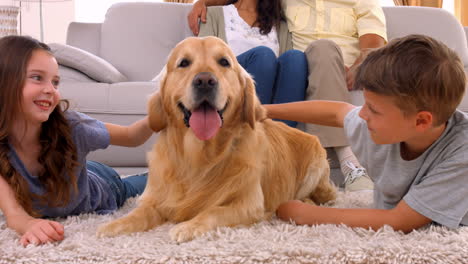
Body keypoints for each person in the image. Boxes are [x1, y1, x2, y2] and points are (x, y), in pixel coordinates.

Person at [265, 34, 468, 231]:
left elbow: (400, 220)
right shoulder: (384, 124)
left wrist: (304, 214)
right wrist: (265, 111)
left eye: (374, 109)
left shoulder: (461, 151)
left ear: (421, 120)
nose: (362, 114)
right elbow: (337, 113)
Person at [189, 0, 388, 191]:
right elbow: (204, 60)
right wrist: (203, 2)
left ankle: (284, 159)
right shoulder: (219, 14)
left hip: (329, 69)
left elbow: (374, 43)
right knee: (266, 55)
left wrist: (358, 67)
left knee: (295, 58)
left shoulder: (278, 20)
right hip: (237, 80)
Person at [0, 36, 153, 246]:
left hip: (104, 184)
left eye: (55, 82)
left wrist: (158, 116)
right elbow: (15, 215)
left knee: (155, 182)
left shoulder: (73, 127)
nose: (50, 89)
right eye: (37, 77)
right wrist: (28, 225)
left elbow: (131, 137)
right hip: (76, 171)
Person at [197, 0, 308, 127]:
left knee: (296, 58)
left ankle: (279, 138)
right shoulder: (213, 14)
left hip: (272, 100)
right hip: (230, 90)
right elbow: (203, 60)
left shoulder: (281, 25)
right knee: (263, 56)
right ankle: (248, 131)